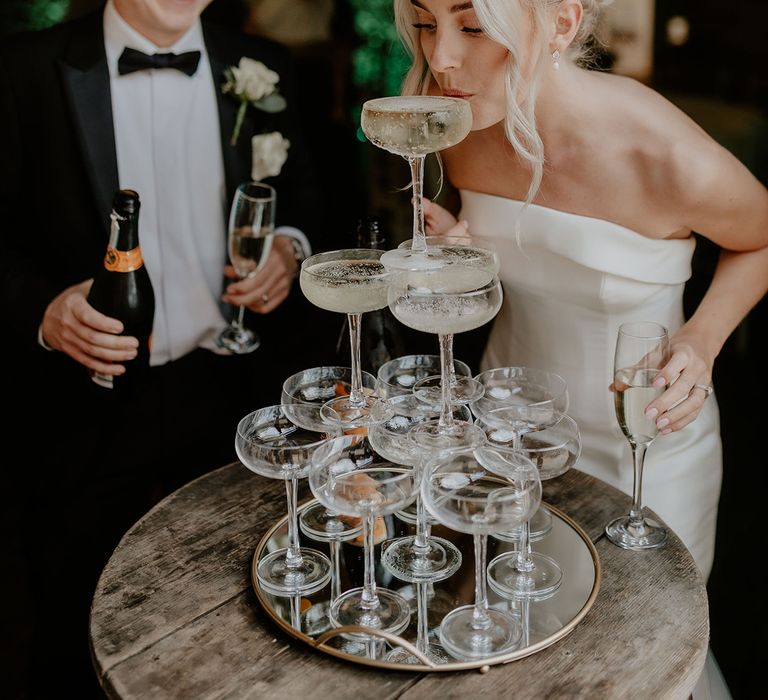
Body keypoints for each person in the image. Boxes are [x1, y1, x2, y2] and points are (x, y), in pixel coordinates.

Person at [394, 1, 767, 695]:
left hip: (641, 453)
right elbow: (525, 251)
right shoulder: (453, 116)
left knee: (629, 672)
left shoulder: (659, 150)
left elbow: (762, 236)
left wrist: (702, 338)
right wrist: (466, 249)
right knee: (506, 656)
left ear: (562, 25)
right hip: (504, 448)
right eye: (424, 21)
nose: (440, 56)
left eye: (473, 26)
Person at [0, 0, 324, 695]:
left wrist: (291, 252)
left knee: (241, 620)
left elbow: (307, 196)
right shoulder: (23, 69)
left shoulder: (264, 67)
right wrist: (42, 309)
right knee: (72, 629)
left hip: (233, 394)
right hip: (81, 401)